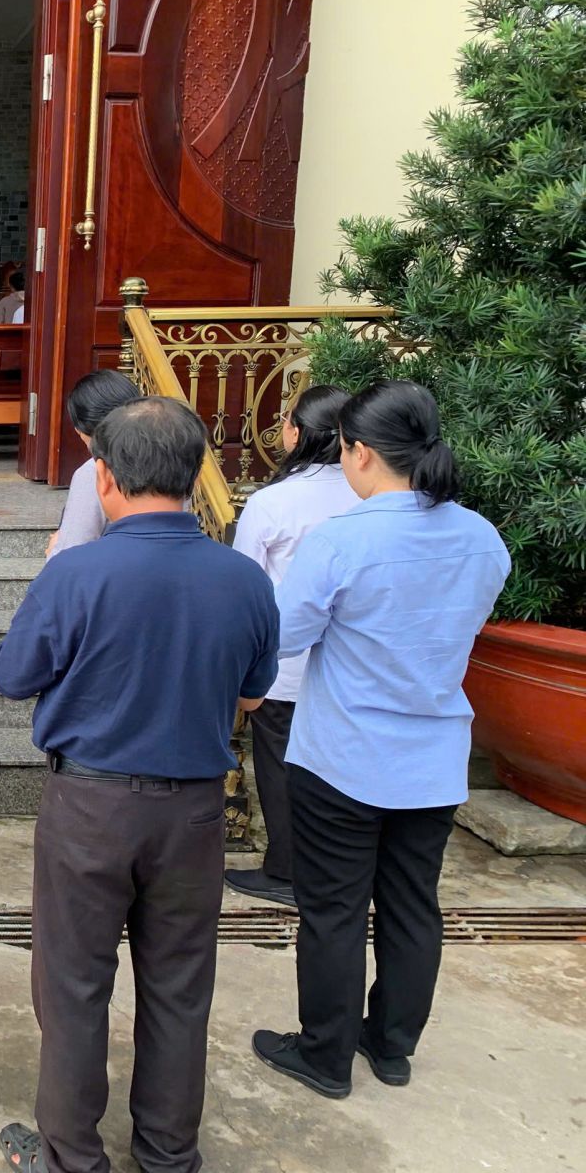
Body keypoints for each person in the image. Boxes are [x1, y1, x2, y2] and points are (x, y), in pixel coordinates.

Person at [0, 397, 279, 1173]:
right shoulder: (244, 579)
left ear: (105, 478)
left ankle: (71, 1157)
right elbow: (254, 697)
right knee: (180, 988)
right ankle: (167, 1154)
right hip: (194, 811)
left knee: (73, 986)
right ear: (194, 474)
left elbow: (13, 676)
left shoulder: (75, 572)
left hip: (89, 806)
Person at [252, 380, 509, 1100]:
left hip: (344, 755)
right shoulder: (481, 538)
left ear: (360, 452)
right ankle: (392, 1046)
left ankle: (325, 1054)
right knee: (411, 904)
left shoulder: (343, 539)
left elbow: (285, 636)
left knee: (333, 910)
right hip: (432, 758)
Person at [225, 385, 358, 908]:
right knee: (338, 769)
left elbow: (246, 583)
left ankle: (286, 870)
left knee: (281, 768)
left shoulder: (273, 501)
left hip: (285, 665)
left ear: (297, 433)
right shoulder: (368, 495)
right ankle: (339, 868)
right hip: (350, 667)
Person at [43, 370, 140, 559]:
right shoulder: (168, 460)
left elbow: (71, 554)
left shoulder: (93, 472)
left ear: (79, 428)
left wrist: (54, 549)